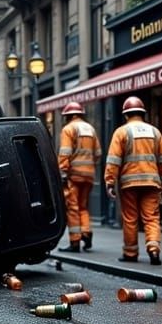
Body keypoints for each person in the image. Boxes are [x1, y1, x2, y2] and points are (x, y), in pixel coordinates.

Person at [104, 97, 162, 265]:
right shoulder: (155, 132)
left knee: (130, 218)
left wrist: (110, 181)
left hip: (129, 184)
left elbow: (113, 160)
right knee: (152, 218)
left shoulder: (121, 132)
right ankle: (154, 250)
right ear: (143, 113)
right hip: (151, 182)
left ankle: (130, 253)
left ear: (126, 115)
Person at [58, 101, 102, 253]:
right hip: (89, 175)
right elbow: (98, 154)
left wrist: (63, 172)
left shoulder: (68, 129)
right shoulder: (90, 129)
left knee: (73, 208)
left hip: (74, 175)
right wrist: (89, 166)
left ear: (68, 116)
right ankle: (86, 232)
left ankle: (75, 241)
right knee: (83, 206)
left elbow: (65, 152)